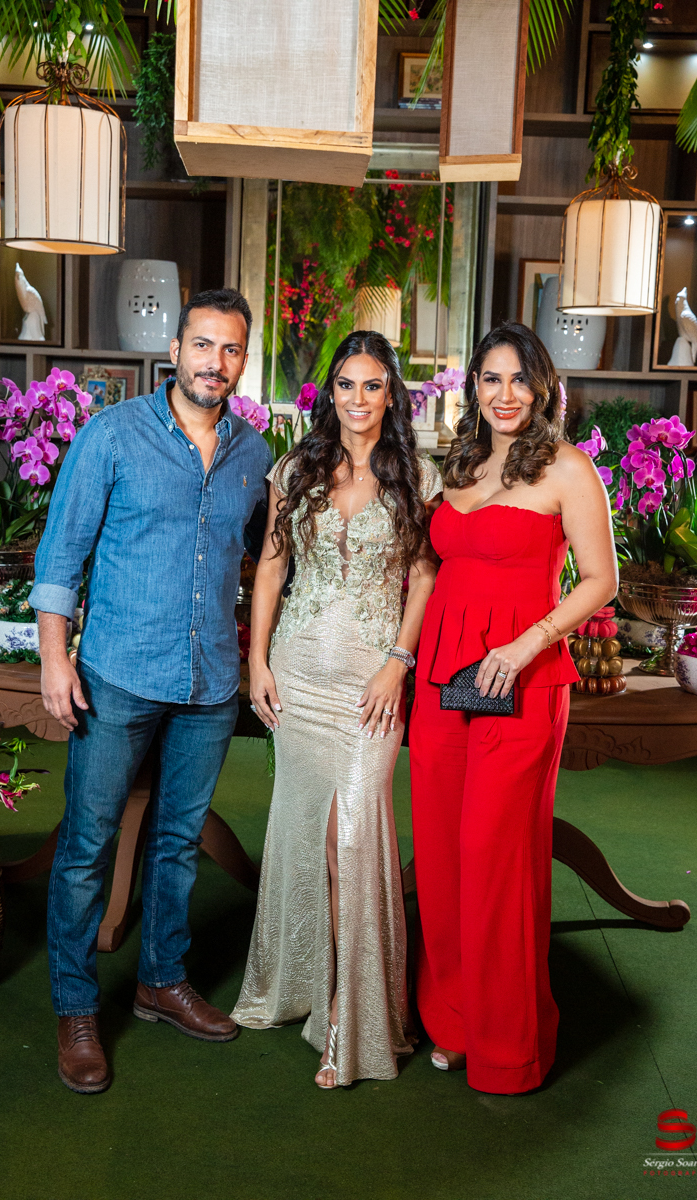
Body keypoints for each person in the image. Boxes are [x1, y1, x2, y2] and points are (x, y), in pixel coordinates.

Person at [30, 288, 273, 1094]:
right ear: (174, 350)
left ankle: (162, 982)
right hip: (118, 675)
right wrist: (55, 659)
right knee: (87, 847)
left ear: (244, 360)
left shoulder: (254, 454)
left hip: (209, 681)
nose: (215, 362)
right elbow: (61, 556)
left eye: (231, 349)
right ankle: (76, 1008)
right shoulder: (112, 436)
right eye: (202, 344)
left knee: (177, 842)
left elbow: (271, 558)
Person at [409, 322, 618, 1094]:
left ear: (543, 387)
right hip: (443, 680)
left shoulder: (568, 468)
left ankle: (508, 1046)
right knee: (441, 855)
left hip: (520, 681)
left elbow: (601, 580)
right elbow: (431, 565)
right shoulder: (459, 462)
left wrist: (526, 644)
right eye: (491, 379)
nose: (505, 395)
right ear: (474, 386)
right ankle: (453, 1021)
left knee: (497, 859)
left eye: (520, 379)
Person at [232, 331, 442, 1088]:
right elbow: (271, 568)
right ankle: (304, 992)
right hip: (297, 674)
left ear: (392, 395)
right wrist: (257, 661)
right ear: (332, 394)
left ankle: (353, 1024)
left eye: (372, 385)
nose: (358, 399)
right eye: (346, 385)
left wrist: (398, 662)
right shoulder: (296, 467)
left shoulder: (418, 474)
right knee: (302, 836)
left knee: (351, 839)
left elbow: (424, 577)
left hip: (368, 686)